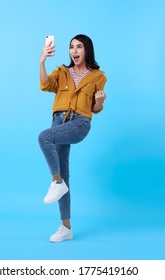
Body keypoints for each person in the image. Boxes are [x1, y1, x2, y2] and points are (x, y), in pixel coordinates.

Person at [38, 34, 107, 242]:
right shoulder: (61, 72)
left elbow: (95, 109)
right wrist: (42, 61)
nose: (74, 51)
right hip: (58, 122)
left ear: (87, 50)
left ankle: (55, 181)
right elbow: (45, 85)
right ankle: (66, 228)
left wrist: (100, 102)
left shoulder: (98, 77)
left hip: (79, 123)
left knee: (44, 138)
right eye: (71, 47)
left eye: (79, 47)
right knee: (64, 176)